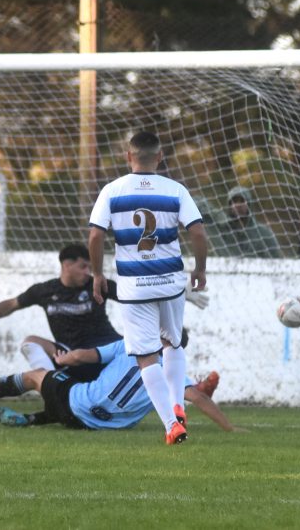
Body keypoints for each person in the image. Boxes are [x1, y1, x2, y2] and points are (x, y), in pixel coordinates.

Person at [88, 131, 208, 445]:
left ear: (129, 156)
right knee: (173, 343)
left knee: (146, 358)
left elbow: (96, 236)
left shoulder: (112, 190)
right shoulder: (176, 190)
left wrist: (98, 274)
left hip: (134, 287)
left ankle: (171, 424)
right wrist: (200, 269)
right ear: (160, 157)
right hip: (170, 283)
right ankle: (178, 404)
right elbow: (197, 232)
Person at [0, 336, 234, 434]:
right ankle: (29, 419)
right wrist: (230, 428)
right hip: (97, 426)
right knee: (78, 404)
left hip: (76, 405)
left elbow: (83, 356)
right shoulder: (174, 373)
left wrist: (64, 358)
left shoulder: (130, 344)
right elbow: (199, 398)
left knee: (38, 376)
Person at [0, 243, 124, 378]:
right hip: (69, 356)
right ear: (67, 265)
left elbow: (131, 298)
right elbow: (12, 304)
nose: (88, 272)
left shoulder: (98, 285)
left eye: (90, 268)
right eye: (83, 266)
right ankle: (52, 386)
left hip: (105, 353)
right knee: (30, 342)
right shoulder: (45, 291)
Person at [212, 186, 282, 257]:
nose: (238, 205)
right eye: (235, 201)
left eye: (242, 201)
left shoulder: (263, 233)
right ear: (229, 205)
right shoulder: (222, 231)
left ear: (249, 204)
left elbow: (276, 258)